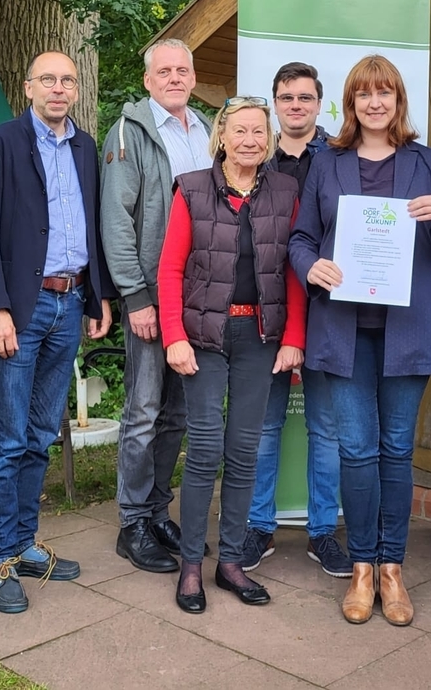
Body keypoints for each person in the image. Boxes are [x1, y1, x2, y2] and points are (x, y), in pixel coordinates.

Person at [288, 55, 431, 626]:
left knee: (395, 449)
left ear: (398, 101)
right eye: (364, 94)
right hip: (344, 332)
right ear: (350, 103)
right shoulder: (327, 163)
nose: (375, 102)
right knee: (356, 449)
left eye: (384, 93)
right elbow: (300, 237)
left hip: (406, 331)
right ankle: (362, 566)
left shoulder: (427, 162)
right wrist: (311, 265)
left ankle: (393, 568)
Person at [0, 51, 115, 613]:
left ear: (76, 90)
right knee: (8, 438)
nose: (59, 88)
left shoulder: (85, 146)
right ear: (28, 86)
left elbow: (95, 224)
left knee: (41, 435)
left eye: (68, 80)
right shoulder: (1, 142)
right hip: (21, 310)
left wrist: (98, 295)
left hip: (70, 302)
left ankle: (25, 543)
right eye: (48, 79)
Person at [157, 96, 306, 613]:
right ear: (221, 136)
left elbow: (292, 271)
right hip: (203, 337)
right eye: (240, 131)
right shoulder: (193, 189)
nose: (250, 140)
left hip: (260, 338)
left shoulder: (286, 191)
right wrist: (173, 335)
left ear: (269, 139)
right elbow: (170, 270)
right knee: (203, 451)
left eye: (258, 133)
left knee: (244, 451)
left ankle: (232, 562)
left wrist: (295, 338)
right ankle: (192, 565)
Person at [101, 39, 212, 573]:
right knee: (143, 412)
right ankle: (131, 524)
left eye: (182, 70)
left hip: (196, 300)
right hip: (150, 296)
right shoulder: (128, 133)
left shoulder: (208, 131)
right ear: (147, 80)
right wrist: (135, 296)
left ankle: (155, 510)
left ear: (193, 77)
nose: (174, 77)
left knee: (177, 414)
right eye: (163, 71)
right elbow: (116, 222)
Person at [242, 62, 352, 579]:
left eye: (305, 97)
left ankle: (322, 533)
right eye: (286, 97)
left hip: (330, 307)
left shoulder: (339, 158)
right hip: (264, 310)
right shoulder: (252, 159)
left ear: (319, 103)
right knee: (263, 428)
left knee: (324, 428)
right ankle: (258, 528)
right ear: (275, 102)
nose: (295, 106)